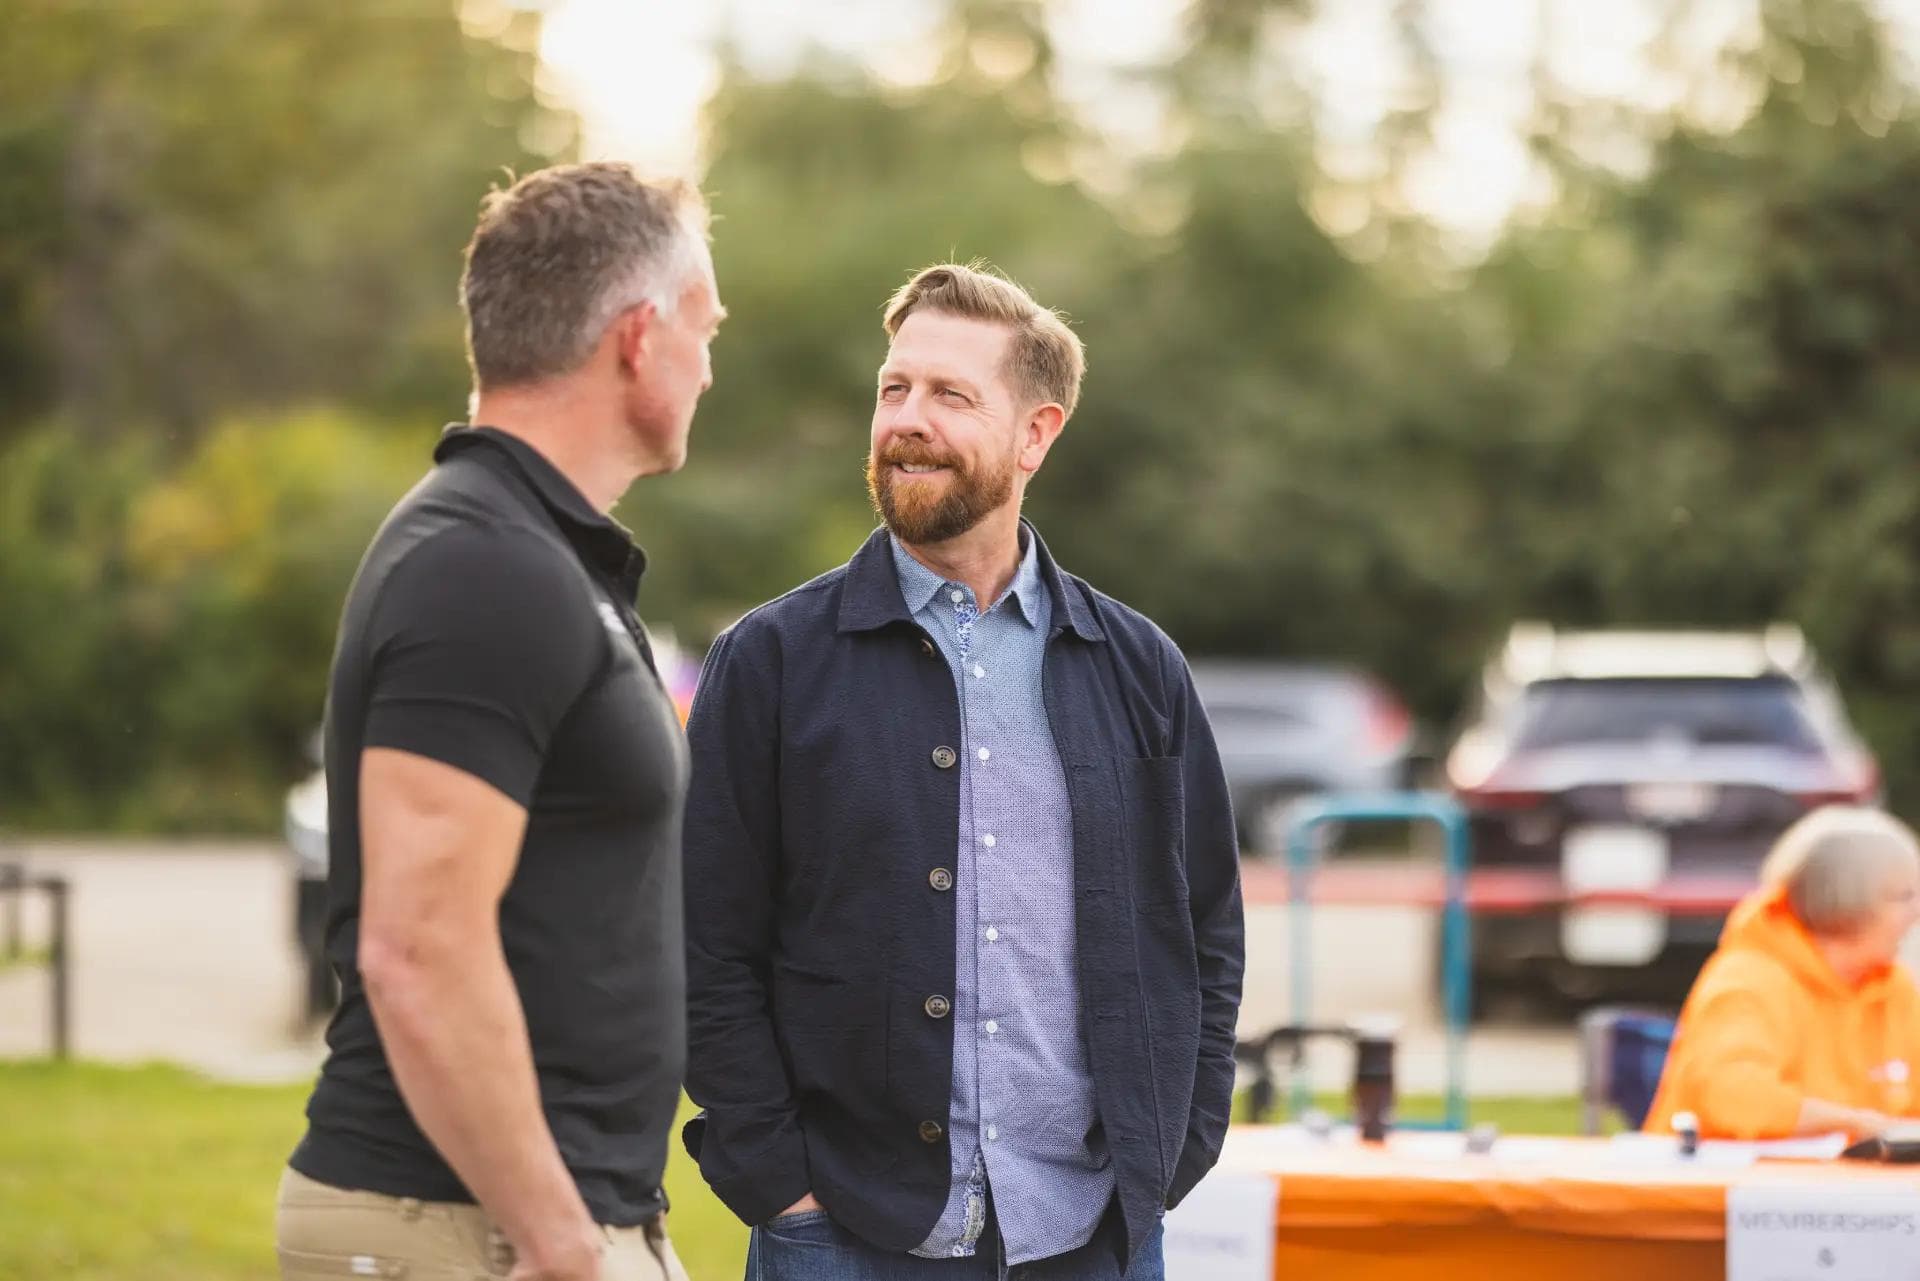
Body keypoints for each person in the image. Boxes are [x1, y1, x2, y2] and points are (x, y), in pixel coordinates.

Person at [682, 262, 1245, 1280]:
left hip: (1091, 1234)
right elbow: (702, 941)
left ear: (1037, 434)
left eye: (951, 395)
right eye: (894, 389)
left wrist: (1172, 1147)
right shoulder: (770, 662)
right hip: (842, 1233)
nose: (908, 420)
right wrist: (781, 1183)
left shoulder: (1137, 666)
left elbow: (1203, 929)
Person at [276, 163, 724, 1281]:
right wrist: (560, 1239)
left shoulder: (532, 555)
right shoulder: (484, 564)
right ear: (638, 336)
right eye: (705, 329)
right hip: (473, 1230)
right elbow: (417, 945)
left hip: (523, 1224)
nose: (711, 366)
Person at [1645, 805, 1920, 1141]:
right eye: (1903, 897)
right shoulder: (1749, 981)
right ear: (1845, 899)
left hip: (1853, 1189)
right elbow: (1732, 1097)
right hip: (1734, 1188)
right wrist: (1861, 1125)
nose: (1916, 913)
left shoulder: (1894, 987)